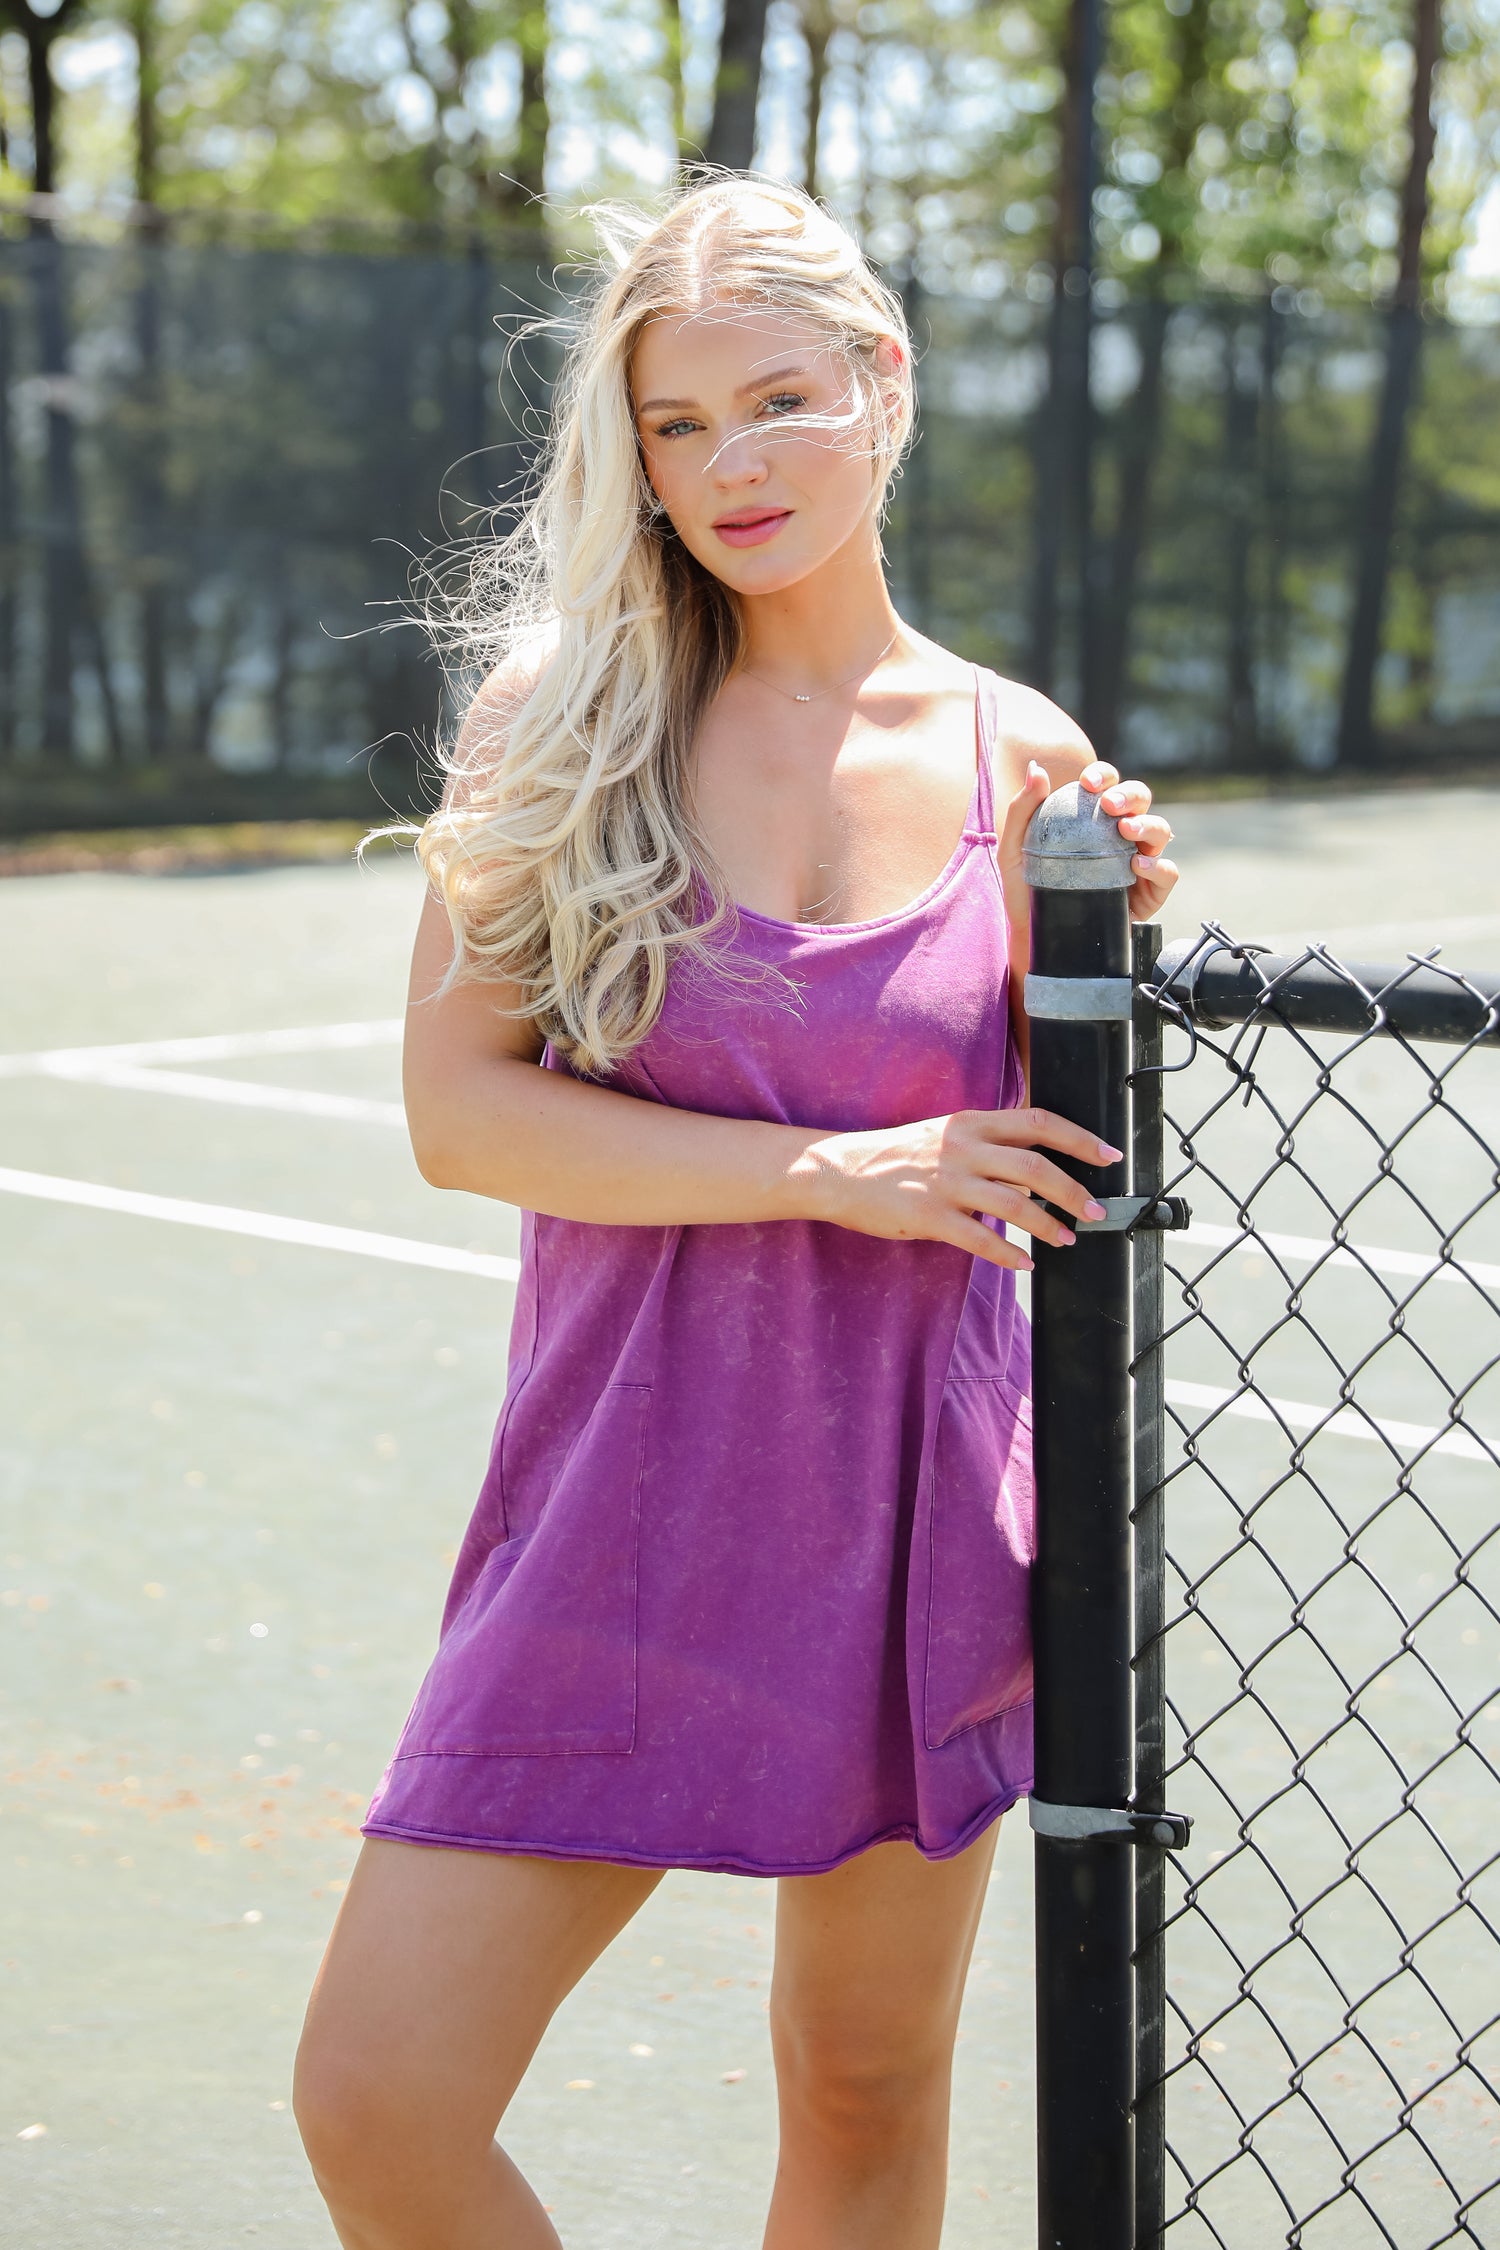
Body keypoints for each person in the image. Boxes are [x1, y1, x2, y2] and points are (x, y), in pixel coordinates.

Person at [293, 175, 1177, 2250]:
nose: (732, 468)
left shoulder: (1021, 755)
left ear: (886, 385)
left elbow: (1054, 1157)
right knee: (380, 2094)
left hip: (916, 1526)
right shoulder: (563, 720)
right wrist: (824, 1174)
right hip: (615, 1506)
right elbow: (459, 1115)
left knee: (862, 2091)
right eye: (679, 427)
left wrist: (1115, 926)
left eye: (779, 402)